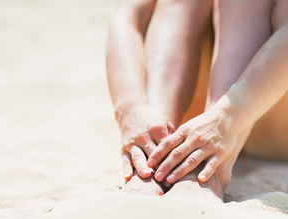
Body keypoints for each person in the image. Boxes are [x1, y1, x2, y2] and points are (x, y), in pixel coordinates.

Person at [107, 0, 288, 202]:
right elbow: (127, 19)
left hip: (267, 112)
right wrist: (130, 109)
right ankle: (157, 151)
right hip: (192, 122)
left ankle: (210, 166)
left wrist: (228, 116)